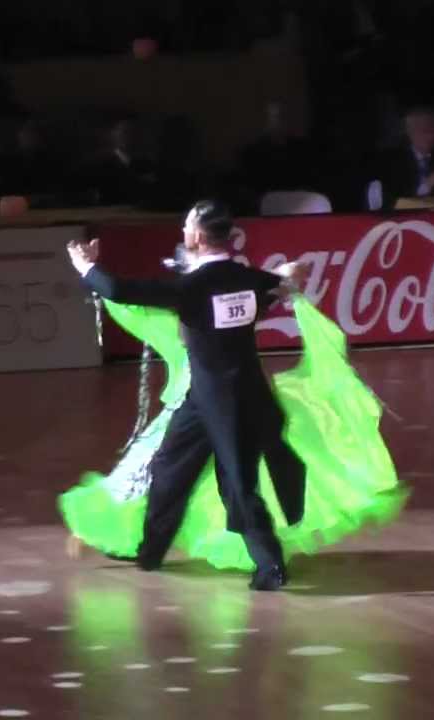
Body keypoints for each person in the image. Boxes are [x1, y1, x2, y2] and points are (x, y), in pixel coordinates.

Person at [61, 201, 404, 588]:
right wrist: (285, 278)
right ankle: (151, 551)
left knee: (238, 486)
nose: (183, 232)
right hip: (210, 399)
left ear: (197, 237)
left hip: (229, 404)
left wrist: (84, 266)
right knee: (168, 471)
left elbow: (119, 290)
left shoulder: (192, 287)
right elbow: (269, 293)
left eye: (187, 226)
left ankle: (271, 566)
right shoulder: (246, 278)